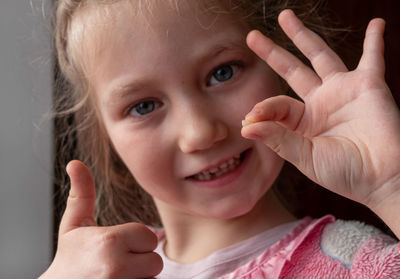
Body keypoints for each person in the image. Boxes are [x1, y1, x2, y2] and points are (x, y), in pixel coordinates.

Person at [41, 0, 400, 278]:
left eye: (222, 73)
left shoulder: (354, 262)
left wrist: (391, 188)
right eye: (144, 106)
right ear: (105, 135)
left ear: (279, 70)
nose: (200, 133)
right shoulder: (99, 273)